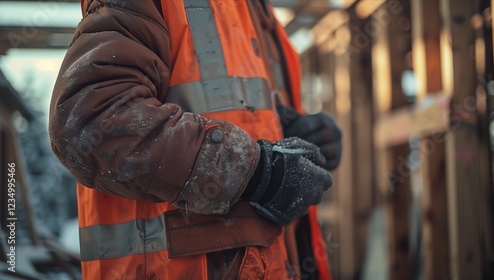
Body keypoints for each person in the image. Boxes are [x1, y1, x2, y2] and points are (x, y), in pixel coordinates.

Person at [49, 0, 342, 279]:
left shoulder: (256, 11)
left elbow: (232, 106)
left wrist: (295, 131)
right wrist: (255, 173)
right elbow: (90, 120)